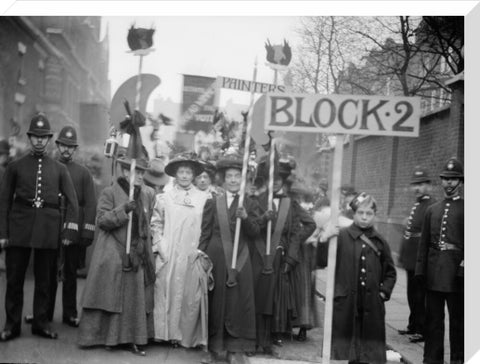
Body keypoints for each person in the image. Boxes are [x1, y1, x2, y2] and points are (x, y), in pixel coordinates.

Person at [0, 113, 79, 341]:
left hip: (48, 231)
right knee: (14, 280)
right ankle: (11, 325)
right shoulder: (15, 167)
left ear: (48, 139)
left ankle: (41, 323)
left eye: (43, 137)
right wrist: (3, 234)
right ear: (30, 137)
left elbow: (73, 203)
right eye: (35, 136)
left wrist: (67, 233)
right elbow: (4, 202)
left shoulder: (59, 169)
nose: (39, 141)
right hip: (19, 229)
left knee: (45, 281)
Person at [78, 157, 156, 356]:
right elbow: (102, 220)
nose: (139, 175)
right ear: (125, 171)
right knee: (112, 296)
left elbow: (147, 224)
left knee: (133, 298)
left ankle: (133, 338)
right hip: (113, 252)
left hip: (137, 255)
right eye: (135, 171)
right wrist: (123, 210)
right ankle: (107, 338)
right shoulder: (110, 192)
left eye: (142, 172)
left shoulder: (146, 194)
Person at [23, 126, 97, 328]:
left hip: (73, 228)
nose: (66, 150)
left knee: (71, 273)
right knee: (46, 273)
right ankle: (43, 313)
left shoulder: (83, 173)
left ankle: (70, 314)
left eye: (71, 147)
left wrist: (84, 232)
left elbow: (90, 204)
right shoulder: (49, 168)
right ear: (57, 145)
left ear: (76, 150)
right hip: (51, 227)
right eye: (63, 145)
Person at [319, 192, 397, 364]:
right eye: (360, 213)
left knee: (367, 350)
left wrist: (383, 293)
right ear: (353, 214)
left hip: (371, 303)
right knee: (348, 348)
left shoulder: (379, 241)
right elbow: (322, 260)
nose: (364, 217)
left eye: (369, 214)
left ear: (374, 216)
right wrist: (325, 239)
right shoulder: (341, 237)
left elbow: (390, 272)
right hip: (347, 301)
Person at [198, 153, 261, 364]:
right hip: (217, 257)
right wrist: (201, 257)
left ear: (242, 180)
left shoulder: (250, 204)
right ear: (223, 180)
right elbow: (205, 233)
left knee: (238, 303)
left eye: (237, 176)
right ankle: (215, 349)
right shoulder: (213, 202)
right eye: (230, 176)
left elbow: (255, 233)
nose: (233, 180)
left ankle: (236, 350)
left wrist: (246, 218)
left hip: (241, 261)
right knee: (216, 302)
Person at [150, 152, 210, 347]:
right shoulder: (164, 197)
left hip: (192, 251)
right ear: (176, 174)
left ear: (194, 175)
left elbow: (207, 225)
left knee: (189, 293)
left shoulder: (203, 198)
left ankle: (185, 336)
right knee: (166, 289)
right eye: (181, 172)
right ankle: (164, 333)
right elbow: (156, 223)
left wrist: (201, 251)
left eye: (188, 172)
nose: (184, 176)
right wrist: (160, 244)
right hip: (170, 250)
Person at [415, 157, 464, 364]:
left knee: (458, 321)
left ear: (460, 182)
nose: (449, 183)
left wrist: (464, 270)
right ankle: (432, 359)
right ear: (441, 181)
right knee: (434, 321)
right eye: (446, 179)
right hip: (434, 273)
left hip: (456, 274)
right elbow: (424, 243)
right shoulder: (432, 210)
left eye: (453, 179)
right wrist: (420, 271)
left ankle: (458, 359)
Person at [253, 158, 304, 348]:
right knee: (259, 295)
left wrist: (291, 258)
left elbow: (296, 233)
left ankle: (275, 333)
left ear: (283, 182)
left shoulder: (289, 204)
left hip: (279, 255)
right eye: (271, 178)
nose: (274, 182)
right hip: (258, 254)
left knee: (277, 296)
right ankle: (257, 336)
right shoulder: (255, 201)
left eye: (278, 179)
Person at [397, 167, 435, 343]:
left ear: (428, 185)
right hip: (411, 259)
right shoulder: (418, 204)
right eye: (415, 185)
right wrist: (403, 256)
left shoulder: (430, 205)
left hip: (420, 260)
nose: (417, 188)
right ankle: (413, 324)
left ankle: (421, 329)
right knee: (412, 294)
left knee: (420, 296)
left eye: (421, 184)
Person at [288, 179, 317, 342]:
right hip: (290, 250)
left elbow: (310, 224)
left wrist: (298, 238)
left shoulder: (295, 206)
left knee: (302, 289)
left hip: (300, 253)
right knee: (292, 289)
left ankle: (303, 327)